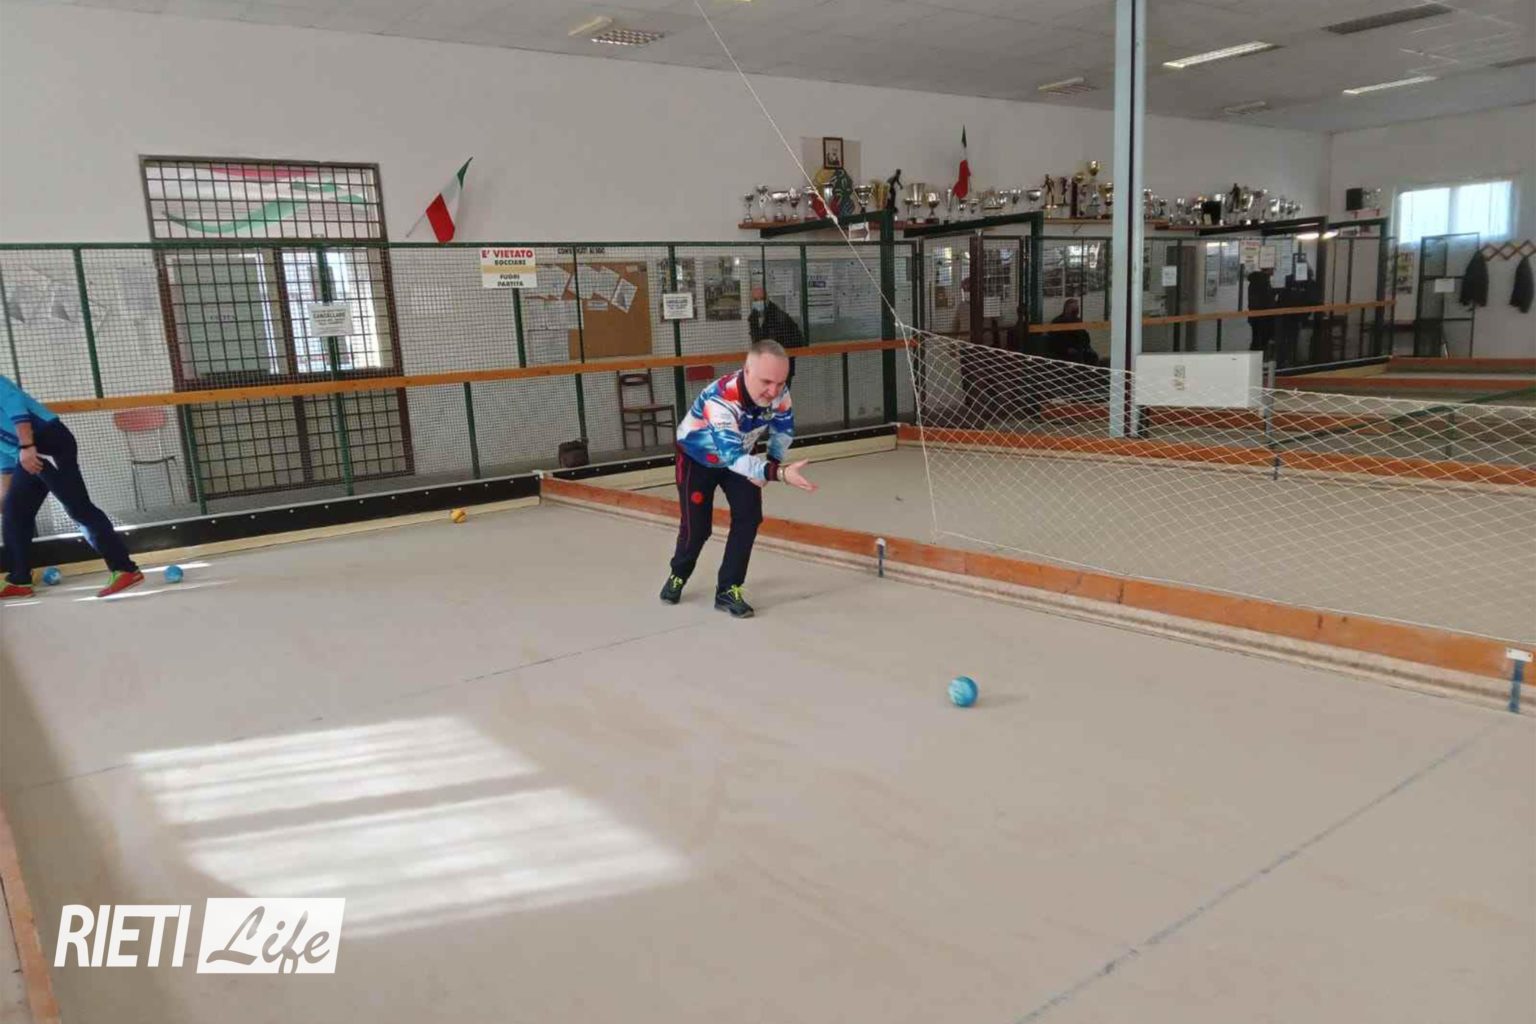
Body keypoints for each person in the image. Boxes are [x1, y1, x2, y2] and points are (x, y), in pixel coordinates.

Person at [660, 340, 815, 618]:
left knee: (749, 517)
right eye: (766, 382)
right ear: (747, 370)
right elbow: (732, 458)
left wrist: (772, 462)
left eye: (780, 382)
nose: (774, 391)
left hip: (742, 452)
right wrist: (777, 473)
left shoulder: (779, 393)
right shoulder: (721, 400)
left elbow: (783, 431)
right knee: (698, 529)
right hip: (698, 460)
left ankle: (728, 589)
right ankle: (678, 573)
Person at [0, 375, 144, 599]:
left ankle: (125, 569)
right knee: (14, 512)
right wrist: (5, 492)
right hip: (25, 456)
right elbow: (4, 452)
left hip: (47, 444)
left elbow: (14, 404)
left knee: (78, 508)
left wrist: (27, 446)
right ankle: (19, 580)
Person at [747, 286, 807, 385]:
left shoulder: (779, 317)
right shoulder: (753, 318)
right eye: (755, 300)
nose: (759, 302)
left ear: (767, 299)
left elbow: (798, 340)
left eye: (761, 299)